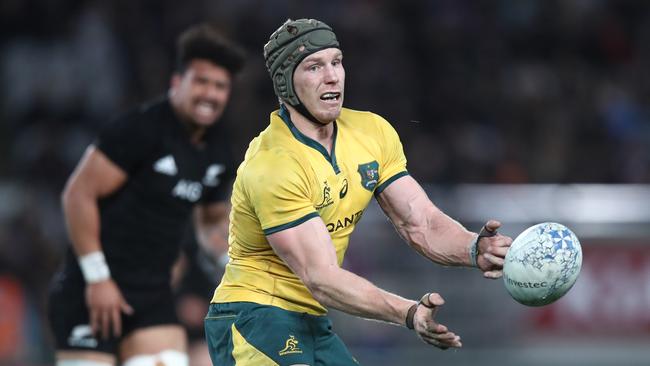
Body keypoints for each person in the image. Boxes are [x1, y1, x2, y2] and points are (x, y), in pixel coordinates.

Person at [204, 18, 513, 365]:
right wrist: (408, 313)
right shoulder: (273, 165)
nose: (332, 76)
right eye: (314, 67)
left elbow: (420, 222)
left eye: (336, 61)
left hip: (313, 321)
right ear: (284, 83)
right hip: (253, 314)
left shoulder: (372, 132)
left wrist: (475, 248)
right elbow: (320, 278)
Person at [47, 23, 244, 366]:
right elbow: (77, 195)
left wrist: (236, 263)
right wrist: (98, 279)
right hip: (90, 289)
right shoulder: (139, 129)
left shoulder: (219, 149)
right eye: (201, 82)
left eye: (220, 86)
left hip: (152, 295)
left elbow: (212, 222)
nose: (210, 94)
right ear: (176, 83)